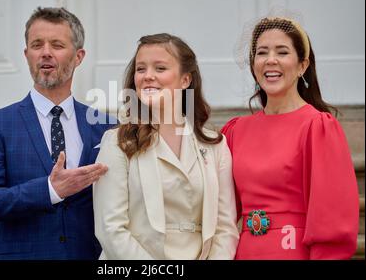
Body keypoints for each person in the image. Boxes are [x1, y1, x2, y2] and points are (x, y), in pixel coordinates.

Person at [0, 7, 115, 259]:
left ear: (79, 56)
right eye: (37, 45)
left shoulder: (106, 127)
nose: (46, 52)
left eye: (57, 45)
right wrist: (49, 189)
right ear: (26, 55)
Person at [222, 17, 359, 259]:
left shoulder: (318, 127)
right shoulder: (235, 131)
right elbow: (221, 212)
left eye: (282, 52)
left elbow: (333, 220)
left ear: (302, 65)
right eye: (262, 52)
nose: (270, 60)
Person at [93, 33, 239, 260]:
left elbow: (225, 228)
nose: (148, 76)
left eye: (160, 68)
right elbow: (111, 229)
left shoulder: (215, 145)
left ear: (185, 80)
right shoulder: (117, 143)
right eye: (141, 69)